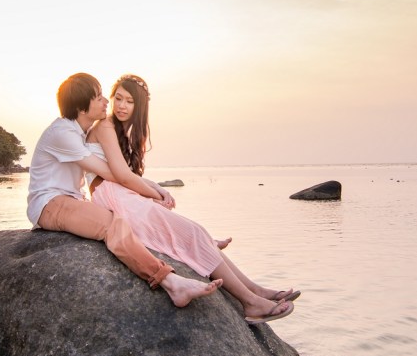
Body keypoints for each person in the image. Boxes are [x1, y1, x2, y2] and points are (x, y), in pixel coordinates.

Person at [86, 74, 298, 324]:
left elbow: (126, 175)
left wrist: (155, 189)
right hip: (113, 197)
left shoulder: (122, 131)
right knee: (193, 234)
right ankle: (251, 302)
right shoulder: (105, 127)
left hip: (120, 195)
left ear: (139, 106)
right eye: (118, 98)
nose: (121, 105)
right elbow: (122, 176)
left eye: (129, 101)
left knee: (196, 233)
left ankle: (256, 290)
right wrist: (156, 193)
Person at [27, 73, 222, 307]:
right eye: (98, 97)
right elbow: (112, 174)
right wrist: (152, 191)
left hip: (69, 200)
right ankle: (169, 282)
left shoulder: (78, 132)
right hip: (50, 204)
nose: (106, 102)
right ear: (81, 107)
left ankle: (192, 243)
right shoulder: (63, 134)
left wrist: (150, 187)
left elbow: (115, 172)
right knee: (112, 224)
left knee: (128, 215)